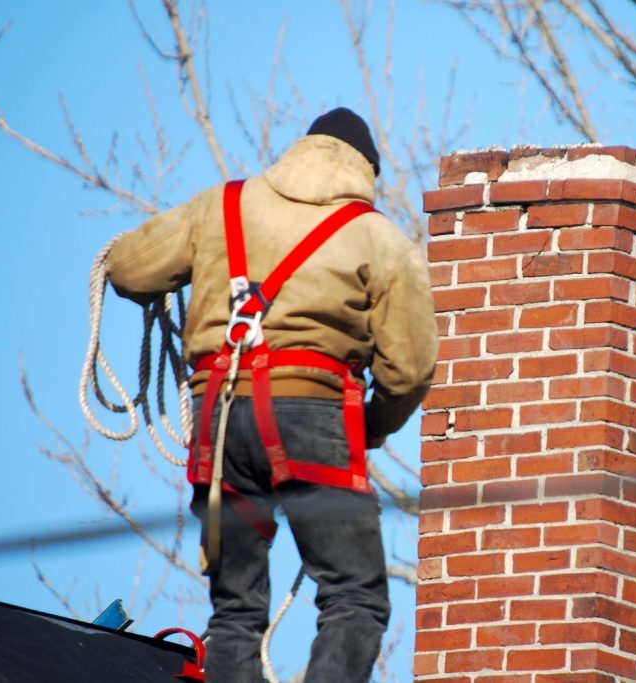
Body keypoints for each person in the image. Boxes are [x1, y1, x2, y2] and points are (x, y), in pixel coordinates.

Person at [106, 107, 438, 683]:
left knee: (235, 610)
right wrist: (376, 424)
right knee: (354, 596)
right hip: (311, 416)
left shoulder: (221, 206)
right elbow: (408, 371)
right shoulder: (378, 236)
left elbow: (128, 269)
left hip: (220, 417)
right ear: (366, 172)